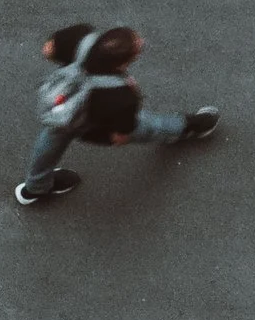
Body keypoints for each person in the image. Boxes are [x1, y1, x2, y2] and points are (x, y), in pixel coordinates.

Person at [16, 25, 216, 206]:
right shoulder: (122, 96)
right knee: (149, 126)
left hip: (62, 111)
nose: (142, 42)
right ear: (124, 62)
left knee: (51, 140)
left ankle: (35, 188)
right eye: (137, 47)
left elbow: (49, 50)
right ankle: (189, 127)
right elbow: (122, 133)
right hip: (91, 127)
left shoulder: (81, 36)